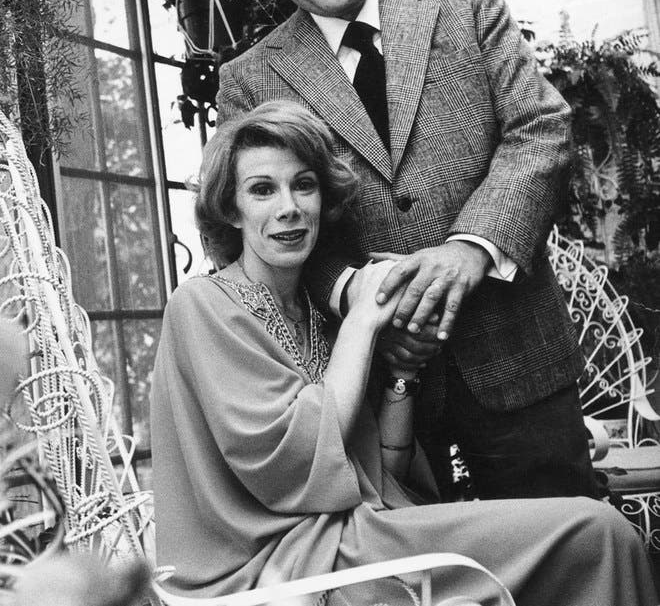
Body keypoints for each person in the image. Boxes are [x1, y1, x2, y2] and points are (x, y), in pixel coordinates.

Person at [150, 100, 657, 604]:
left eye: (303, 185)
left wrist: (401, 374)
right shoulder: (201, 306)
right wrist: (364, 317)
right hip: (281, 564)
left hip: (364, 532)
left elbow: (387, 471)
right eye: (262, 190)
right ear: (230, 209)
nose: (289, 207)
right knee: (597, 533)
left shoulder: (316, 311)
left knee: (599, 532)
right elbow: (294, 467)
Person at [215, 0, 596, 500]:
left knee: (568, 542)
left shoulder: (466, 4)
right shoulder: (249, 80)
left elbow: (541, 128)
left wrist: (470, 249)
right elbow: (251, 226)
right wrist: (356, 300)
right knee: (418, 562)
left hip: (517, 358)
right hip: (367, 385)